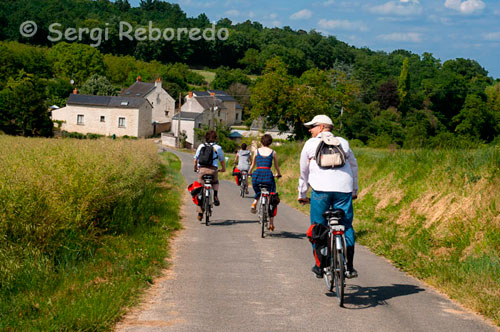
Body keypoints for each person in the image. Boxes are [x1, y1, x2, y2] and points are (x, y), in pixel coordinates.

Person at [297, 114, 359, 279]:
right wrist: (354, 190)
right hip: (343, 190)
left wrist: (302, 193)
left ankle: (320, 264)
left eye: (313, 126)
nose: (310, 130)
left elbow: (304, 171)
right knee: (346, 225)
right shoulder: (343, 143)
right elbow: (353, 166)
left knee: (318, 226)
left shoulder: (310, 144)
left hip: (320, 191)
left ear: (322, 127)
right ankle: (349, 267)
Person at [248, 134, 282, 231]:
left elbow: (253, 164)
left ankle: (255, 202)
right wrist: (278, 174)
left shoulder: (256, 151)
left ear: (261, 142)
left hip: (257, 175)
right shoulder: (273, 152)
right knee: (271, 197)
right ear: (270, 142)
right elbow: (276, 167)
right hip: (268, 175)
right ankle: (271, 223)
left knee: (258, 189)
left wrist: (250, 173)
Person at [194, 130, 226, 221]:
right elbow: (222, 160)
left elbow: (195, 159)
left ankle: (200, 213)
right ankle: (215, 195)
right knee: (215, 181)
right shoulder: (218, 148)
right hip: (213, 170)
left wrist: (195, 168)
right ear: (215, 138)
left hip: (202, 171)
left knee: (200, 189)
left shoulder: (201, 146)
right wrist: (223, 169)